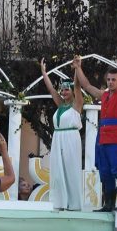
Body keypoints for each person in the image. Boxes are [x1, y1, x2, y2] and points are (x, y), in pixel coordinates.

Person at [74, 55, 117, 212]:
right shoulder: (104, 94)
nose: (111, 82)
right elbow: (86, 85)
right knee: (104, 171)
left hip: (116, 137)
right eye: (109, 79)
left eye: (114, 79)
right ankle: (108, 203)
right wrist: (78, 67)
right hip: (102, 137)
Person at [39, 58, 85, 211]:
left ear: (72, 91)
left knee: (71, 168)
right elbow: (51, 89)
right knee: (58, 170)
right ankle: (61, 202)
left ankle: (74, 203)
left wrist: (76, 71)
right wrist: (44, 73)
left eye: (67, 89)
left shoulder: (77, 105)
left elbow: (78, 87)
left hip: (71, 138)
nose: (63, 92)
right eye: (63, 90)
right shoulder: (60, 104)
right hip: (58, 138)